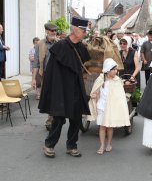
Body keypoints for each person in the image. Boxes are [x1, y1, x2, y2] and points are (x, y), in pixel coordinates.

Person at [39, 17, 91, 158]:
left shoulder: (81, 47)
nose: (85, 33)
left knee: (76, 118)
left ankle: (71, 146)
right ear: (75, 30)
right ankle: (49, 145)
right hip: (61, 89)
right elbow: (52, 73)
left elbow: (85, 64)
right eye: (83, 30)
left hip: (75, 89)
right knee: (59, 119)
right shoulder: (60, 46)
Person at [89, 58, 130, 155]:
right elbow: (95, 91)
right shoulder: (100, 79)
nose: (116, 71)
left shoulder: (117, 80)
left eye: (116, 69)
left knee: (110, 127)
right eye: (114, 69)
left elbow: (120, 96)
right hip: (102, 106)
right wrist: (94, 95)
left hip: (111, 107)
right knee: (102, 127)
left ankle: (109, 144)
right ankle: (102, 145)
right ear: (107, 70)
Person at [32, 22, 58, 130]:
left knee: (56, 97)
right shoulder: (40, 44)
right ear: (47, 31)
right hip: (45, 75)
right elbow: (36, 63)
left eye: (55, 31)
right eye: (52, 31)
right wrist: (33, 79)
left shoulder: (59, 43)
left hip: (58, 75)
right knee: (48, 98)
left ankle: (53, 119)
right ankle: (51, 119)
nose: (54, 33)